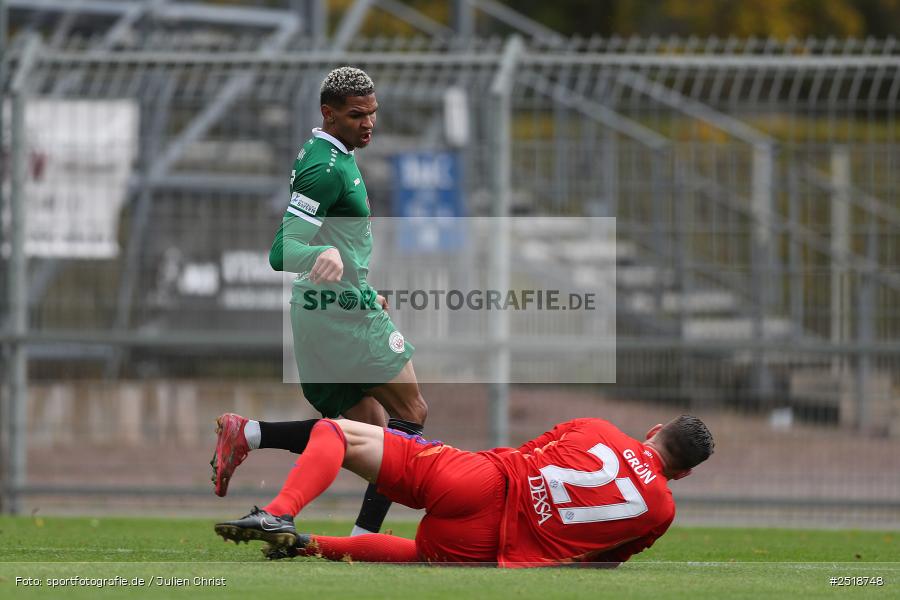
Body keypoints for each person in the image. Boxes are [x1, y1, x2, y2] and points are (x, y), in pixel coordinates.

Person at [210, 67, 428, 538]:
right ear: (328, 114)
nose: (369, 123)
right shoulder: (324, 169)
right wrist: (319, 253)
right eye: (356, 115)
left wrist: (359, 284)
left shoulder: (331, 154)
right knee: (410, 415)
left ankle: (250, 435)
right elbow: (281, 250)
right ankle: (364, 538)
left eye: (373, 113)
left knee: (364, 435)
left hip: (330, 309)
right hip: (340, 316)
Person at [213, 413, 714, 567]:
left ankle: (280, 513)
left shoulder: (597, 428)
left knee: (336, 433)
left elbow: (528, 449)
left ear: (655, 428)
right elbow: (603, 561)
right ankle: (309, 545)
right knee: (417, 556)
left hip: (480, 481)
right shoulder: (661, 512)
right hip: (496, 550)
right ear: (684, 474)